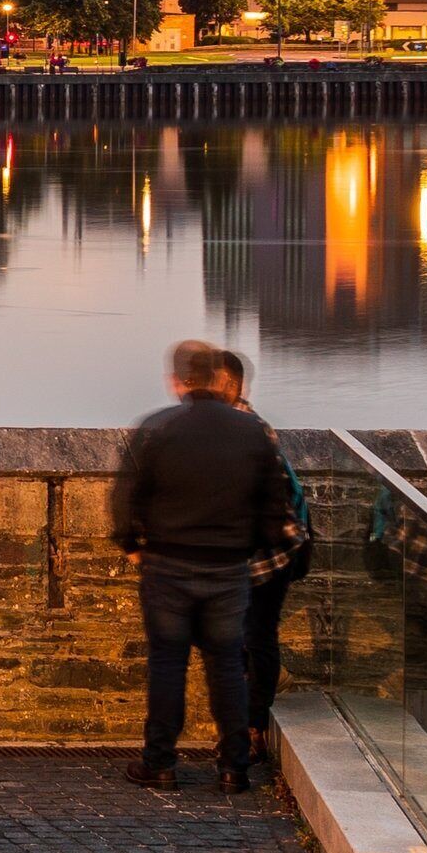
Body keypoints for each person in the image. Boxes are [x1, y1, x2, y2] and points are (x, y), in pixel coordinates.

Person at [113, 338, 302, 790]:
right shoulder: (251, 432)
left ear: (176, 380)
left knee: (167, 664)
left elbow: (125, 498)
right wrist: (244, 546)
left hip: (168, 565)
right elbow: (276, 513)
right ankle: (233, 768)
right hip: (228, 568)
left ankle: (160, 762)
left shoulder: (158, 428)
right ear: (220, 378)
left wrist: (132, 545)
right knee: (226, 667)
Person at [218, 350, 315, 754]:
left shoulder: (242, 429)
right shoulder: (242, 426)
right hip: (264, 550)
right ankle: (248, 723)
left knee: (253, 637)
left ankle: (252, 728)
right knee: (248, 637)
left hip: (269, 553)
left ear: (226, 384)